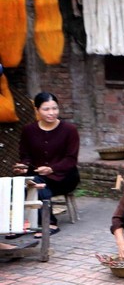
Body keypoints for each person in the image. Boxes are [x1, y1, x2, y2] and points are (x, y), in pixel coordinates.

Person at [13, 92, 79, 237]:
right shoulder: (28, 130)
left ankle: (48, 223)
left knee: (37, 183)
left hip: (65, 177)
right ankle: (19, 224)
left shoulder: (69, 130)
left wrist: (51, 169)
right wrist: (23, 166)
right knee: (19, 184)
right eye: (46, 109)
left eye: (54, 108)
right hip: (38, 175)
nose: (52, 113)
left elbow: (71, 159)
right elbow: (25, 156)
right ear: (37, 110)